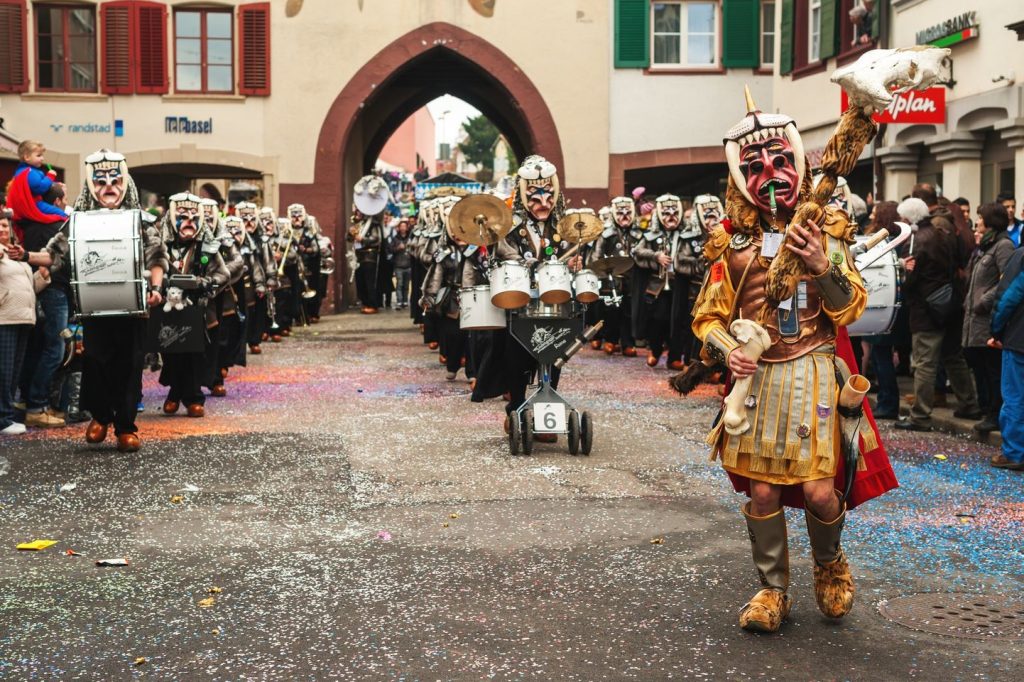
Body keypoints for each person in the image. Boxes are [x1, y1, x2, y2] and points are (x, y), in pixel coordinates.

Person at [692, 89, 896, 633]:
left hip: (812, 370)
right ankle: (771, 589)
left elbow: (849, 304)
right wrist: (727, 350)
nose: (771, 174)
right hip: (759, 380)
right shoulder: (729, 244)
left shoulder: (825, 228)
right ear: (740, 176)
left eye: (782, 161)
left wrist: (818, 265)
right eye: (756, 166)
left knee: (818, 490)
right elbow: (706, 318)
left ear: (800, 162)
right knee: (761, 490)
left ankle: (830, 567)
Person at [67, 150, 167, 451]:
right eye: (100, 181)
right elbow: (59, 254)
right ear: (90, 185)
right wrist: (28, 256)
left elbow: (157, 255)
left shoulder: (142, 220)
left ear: (126, 183)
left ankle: (125, 426)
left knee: (128, 365)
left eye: (115, 179)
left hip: (133, 309)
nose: (108, 186)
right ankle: (100, 417)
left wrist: (156, 287)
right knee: (96, 362)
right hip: (95, 307)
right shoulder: (77, 221)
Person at [896, 197, 981, 431]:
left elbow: (910, 279)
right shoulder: (945, 233)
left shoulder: (915, 241)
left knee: (925, 364)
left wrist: (903, 272)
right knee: (954, 358)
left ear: (909, 219)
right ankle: (969, 403)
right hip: (951, 303)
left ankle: (920, 415)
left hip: (926, 309)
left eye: (903, 218)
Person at [158, 193, 229, 418]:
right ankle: (174, 394)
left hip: (197, 310)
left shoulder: (206, 247)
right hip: (166, 308)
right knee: (170, 353)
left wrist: (206, 283)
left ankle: (192, 398)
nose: (189, 221)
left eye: (193, 216)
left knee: (192, 355)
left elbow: (224, 273)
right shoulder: (161, 244)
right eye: (182, 216)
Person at [962, 203, 1015, 433]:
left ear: (990, 221)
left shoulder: (1003, 246)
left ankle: (994, 413)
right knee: (978, 364)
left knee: (992, 369)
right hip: (974, 318)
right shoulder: (985, 245)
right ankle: (987, 408)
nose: (977, 222)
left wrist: (984, 300)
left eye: (981, 218)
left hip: (987, 317)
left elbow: (1007, 280)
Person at [0, 215, 46, 436]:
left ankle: (6, 415)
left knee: (14, 371)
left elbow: (27, 287)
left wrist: (42, 276)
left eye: (4, 225)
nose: (2, 229)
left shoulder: (16, 254)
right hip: (4, 316)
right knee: (4, 371)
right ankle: (3, 418)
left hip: (23, 317)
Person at [862, 200, 901, 418]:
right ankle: (886, 401)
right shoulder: (885, 239)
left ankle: (888, 403)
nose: (870, 217)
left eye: (875, 213)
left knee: (882, 357)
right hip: (882, 303)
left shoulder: (885, 242)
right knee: (880, 357)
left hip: (883, 303)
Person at [990, 242, 1024, 469]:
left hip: (1020, 338)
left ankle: (1015, 453)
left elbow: (1008, 297)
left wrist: (996, 329)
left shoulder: (1021, 256)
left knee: (1015, 397)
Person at [6, 141, 67, 240]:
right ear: (27, 157)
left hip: (29, 206)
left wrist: (51, 184)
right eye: (38, 155)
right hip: (34, 204)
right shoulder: (30, 172)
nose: (42, 158)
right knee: (59, 213)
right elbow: (40, 188)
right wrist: (50, 176)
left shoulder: (23, 171)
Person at [391, 218, 413, 309]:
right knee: (399, 284)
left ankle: (405, 300)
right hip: (398, 265)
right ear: (399, 228)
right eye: (401, 226)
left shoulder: (410, 238)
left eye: (405, 226)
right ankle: (399, 301)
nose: (403, 228)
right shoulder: (395, 238)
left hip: (408, 264)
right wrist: (398, 248)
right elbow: (390, 250)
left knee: (406, 285)